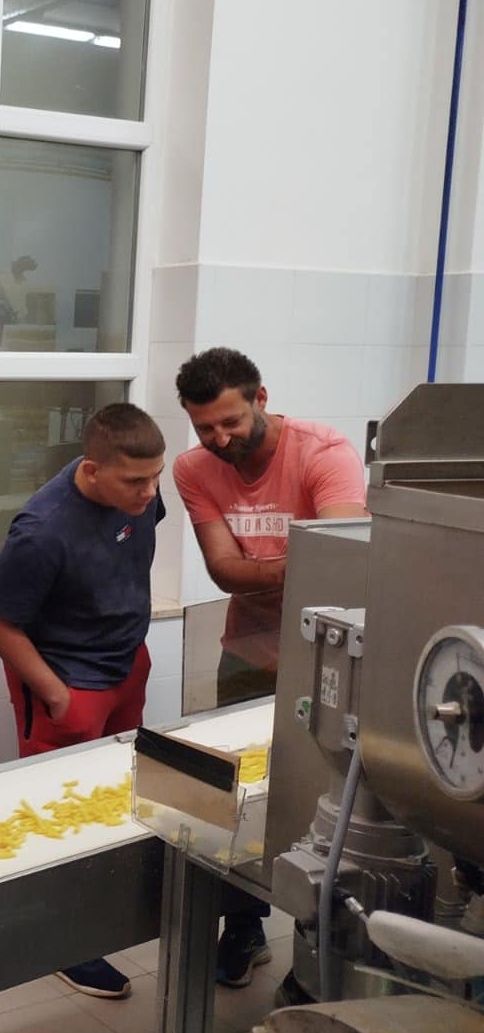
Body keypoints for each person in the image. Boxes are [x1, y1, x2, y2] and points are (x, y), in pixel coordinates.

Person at [173, 346, 366, 994]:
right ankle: (244, 926)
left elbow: (339, 565)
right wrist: (295, 558)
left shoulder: (322, 452)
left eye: (231, 421)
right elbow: (222, 571)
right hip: (247, 653)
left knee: (326, 799)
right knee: (240, 794)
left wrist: (264, 567)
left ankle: (317, 945)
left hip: (327, 659)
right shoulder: (194, 468)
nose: (219, 439)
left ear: (261, 398)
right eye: (204, 427)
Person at [0, 403, 166, 999]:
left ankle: (98, 915)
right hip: (69, 682)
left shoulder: (139, 495)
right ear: (91, 470)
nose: (149, 493)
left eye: (156, 477)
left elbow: (127, 547)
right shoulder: (43, 530)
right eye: (135, 481)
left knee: (114, 798)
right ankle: (62, 944)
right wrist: (56, 694)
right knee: (58, 815)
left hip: (124, 666)